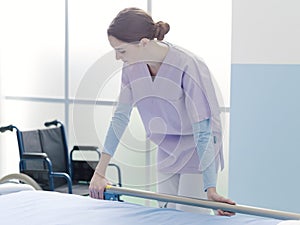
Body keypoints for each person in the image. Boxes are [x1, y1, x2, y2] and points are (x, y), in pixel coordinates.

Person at [89, 7, 235, 216]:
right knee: (166, 214)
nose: (117, 58)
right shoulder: (131, 68)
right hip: (166, 147)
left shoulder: (188, 64)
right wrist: (100, 172)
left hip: (197, 147)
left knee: (189, 215)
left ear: (144, 43)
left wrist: (210, 189)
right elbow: (120, 118)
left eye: (121, 51)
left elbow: (204, 129)